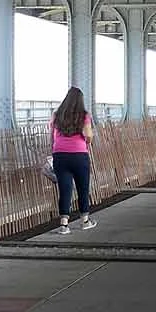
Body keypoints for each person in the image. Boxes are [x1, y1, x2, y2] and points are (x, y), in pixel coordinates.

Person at [51, 87, 97, 234]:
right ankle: (85, 221)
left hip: (60, 155)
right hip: (79, 155)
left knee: (65, 190)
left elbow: (51, 136)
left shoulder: (57, 115)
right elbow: (89, 135)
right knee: (82, 188)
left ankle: (64, 225)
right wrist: (87, 140)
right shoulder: (84, 116)